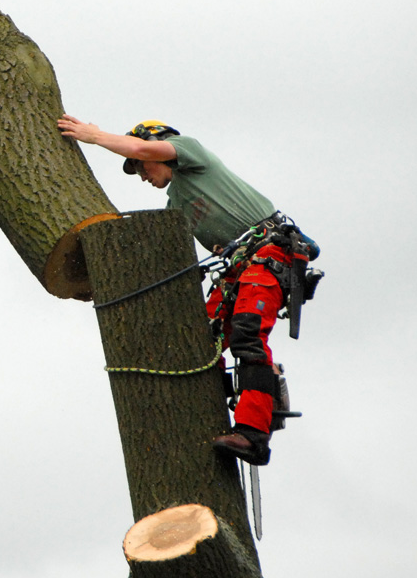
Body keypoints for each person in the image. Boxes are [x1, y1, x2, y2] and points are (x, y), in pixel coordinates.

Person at [57, 114, 317, 466]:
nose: (143, 176)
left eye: (142, 167)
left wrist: (94, 135)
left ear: (158, 150)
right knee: (199, 339)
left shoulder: (190, 154)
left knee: (247, 335)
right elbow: (167, 254)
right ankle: (234, 395)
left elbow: (137, 146)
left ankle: (254, 435)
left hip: (268, 253)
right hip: (239, 268)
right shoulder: (177, 202)